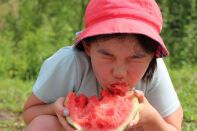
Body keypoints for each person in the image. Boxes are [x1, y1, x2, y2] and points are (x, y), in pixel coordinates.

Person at [22, 0, 183, 131]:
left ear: (152, 55)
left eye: (136, 57)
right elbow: (30, 114)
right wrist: (53, 109)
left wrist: (151, 118)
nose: (119, 72)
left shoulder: (154, 70)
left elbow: (173, 127)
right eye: (107, 55)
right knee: (42, 125)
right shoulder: (69, 63)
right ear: (88, 46)